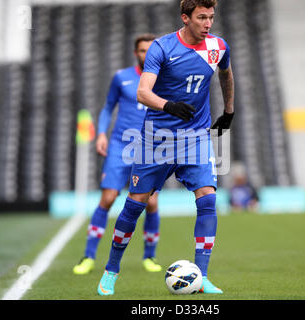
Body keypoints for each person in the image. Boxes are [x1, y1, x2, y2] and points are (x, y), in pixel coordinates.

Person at [97, 0, 234, 295]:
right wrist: (169, 105)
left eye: (211, 17)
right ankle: (111, 269)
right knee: (135, 205)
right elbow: (143, 92)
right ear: (185, 18)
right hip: (155, 140)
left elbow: (226, 73)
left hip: (195, 137)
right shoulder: (161, 48)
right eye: (201, 18)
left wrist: (230, 110)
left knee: (208, 200)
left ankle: (202, 277)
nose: (208, 23)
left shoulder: (218, 46)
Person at [73, 33, 163, 275]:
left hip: (150, 148)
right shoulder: (121, 77)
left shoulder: (164, 78)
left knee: (151, 201)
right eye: (142, 50)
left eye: (150, 50)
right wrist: (101, 133)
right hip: (120, 146)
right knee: (108, 198)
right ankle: (88, 256)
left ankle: (149, 257)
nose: (146, 54)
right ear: (136, 53)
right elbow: (107, 107)